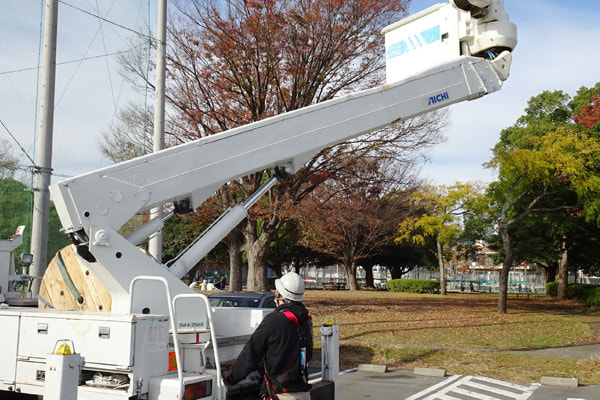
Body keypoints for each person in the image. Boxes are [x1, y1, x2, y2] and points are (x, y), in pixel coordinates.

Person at [222, 272, 313, 400]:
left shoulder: (274, 321)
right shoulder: (305, 320)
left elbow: (251, 354)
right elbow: (299, 354)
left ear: (279, 294)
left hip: (282, 394)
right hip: (303, 393)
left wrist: (231, 376)